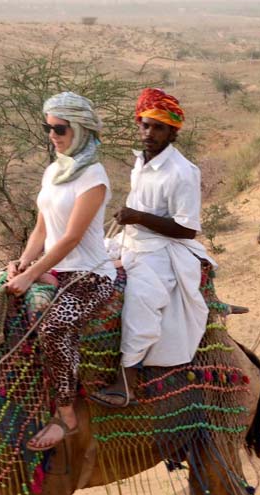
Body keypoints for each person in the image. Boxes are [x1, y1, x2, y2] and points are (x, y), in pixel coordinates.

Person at [0, 92, 117, 450]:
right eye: (47, 127)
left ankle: (66, 415)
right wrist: (22, 261)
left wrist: (31, 274)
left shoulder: (93, 177)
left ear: (79, 130)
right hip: (52, 268)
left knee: (54, 328)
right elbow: (42, 230)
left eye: (59, 128)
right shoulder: (55, 170)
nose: (52, 135)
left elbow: (71, 238)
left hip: (88, 274)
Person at [91, 88, 214, 407]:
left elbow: (187, 229)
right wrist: (131, 217)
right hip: (129, 241)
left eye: (158, 127)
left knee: (141, 302)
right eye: (145, 125)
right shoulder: (140, 161)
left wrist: (138, 217)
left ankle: (127, 379)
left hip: (162, 251)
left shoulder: (183, 172)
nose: (149, 132)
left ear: (173, 131)